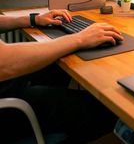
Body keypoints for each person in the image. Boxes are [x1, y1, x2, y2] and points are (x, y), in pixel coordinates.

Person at [0, 9, 123, 143]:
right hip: (7, 106)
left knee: (56, 68)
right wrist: (80, 38)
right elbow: (3, 63)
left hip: (8, 85)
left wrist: (32, 19)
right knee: (106, 109)